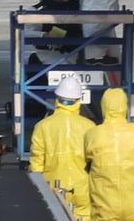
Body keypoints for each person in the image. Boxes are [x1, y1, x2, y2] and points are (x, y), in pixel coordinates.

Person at [30, 77, 96, 221]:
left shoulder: (42, 126)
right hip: (82, 189)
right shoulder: (89, 126)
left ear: (57, 99)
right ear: (79, 100)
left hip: (53, 188)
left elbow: (36, 164)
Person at [84, 88, 134, 221]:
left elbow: (86, 159)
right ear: (124, 107)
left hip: (105, 205)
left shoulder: (93, 134)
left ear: (104, 107)